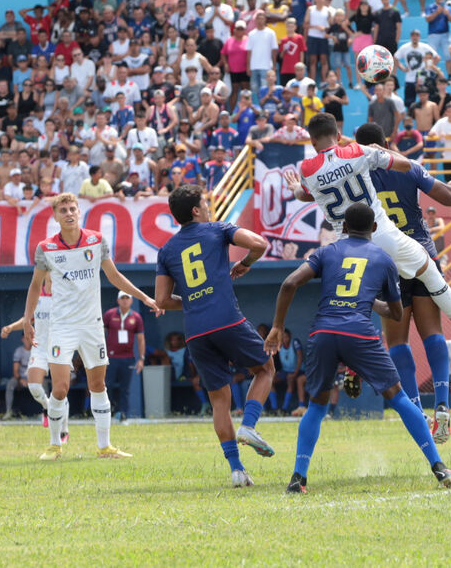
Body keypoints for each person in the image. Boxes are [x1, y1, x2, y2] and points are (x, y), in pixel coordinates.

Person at [264, 203, 451, 493]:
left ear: (343, 228)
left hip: (324, 332)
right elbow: (395, 314)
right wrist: (367, 300)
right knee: (398, 398)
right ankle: (438, 467)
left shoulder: (327, 252)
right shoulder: (383, 259)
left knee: (317, 407)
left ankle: (298, 478)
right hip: (359, 333)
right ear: (374, 229)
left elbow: (289, 283)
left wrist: (277, 327)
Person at [284, 113, 451, 345]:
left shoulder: (307, 169)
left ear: (312, 141)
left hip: (349, 249)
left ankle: (352, 363)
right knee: (431, 274)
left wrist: (294, 186)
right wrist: (381, 151)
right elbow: (406, 165)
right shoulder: (357, 152)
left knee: (362, 304)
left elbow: (304, 194)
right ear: (337, 135)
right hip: (384, 236)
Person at [154, 185, 277, 488]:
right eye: (205, 203)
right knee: (265, 368)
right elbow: (259, 244)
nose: (209, 207)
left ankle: (237, 470)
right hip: (226, 320)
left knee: (219, 401)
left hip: (195, 331)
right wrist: (245, 264)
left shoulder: (167, 250)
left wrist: (192, 300)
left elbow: (162, 300)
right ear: (196, 210)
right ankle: (248, 426)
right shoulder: (218, 229)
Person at [24, 193, 161, 461]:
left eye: (72, 208)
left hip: (92, 326)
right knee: (60, 388)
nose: (69, 213)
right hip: (61, 326)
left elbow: (114, 276)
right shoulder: (46, 248)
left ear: (79, 211)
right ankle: (54, 445)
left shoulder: (97, 240)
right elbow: (35, 285)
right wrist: (28, 320)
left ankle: (105, 447)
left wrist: (145, 298)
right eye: (63, 210)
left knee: (97, 385)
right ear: (55, 216)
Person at [355, 122, 451, 443]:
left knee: (398, 342)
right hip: (421, 255)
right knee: (433, 332)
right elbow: (449, 199)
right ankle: (442, 403)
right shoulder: (409, 167)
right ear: (387, 141)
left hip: (386, 263)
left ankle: (417, 409)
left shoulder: (358, 175)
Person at [0, 272, 69, 439]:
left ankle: (64, 430)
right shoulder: (36, 294)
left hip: (59, 347)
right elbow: (27, 319)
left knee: (60, 391)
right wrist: (10, 327)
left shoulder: (64, 295)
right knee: (34, 387)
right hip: (39, 348)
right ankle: (47, 407)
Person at [103, 291, 145, 423]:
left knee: (125, 388)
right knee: (107, 386)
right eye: (123, 298)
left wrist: (141, 358)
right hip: (111, 357)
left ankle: (123, 416)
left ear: (131, 301)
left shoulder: (136, 317)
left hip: (128, 357)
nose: (125, 301)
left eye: (127, 298)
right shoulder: (110, 314)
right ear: (118, 300)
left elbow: (141, 339)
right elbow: (100, 334)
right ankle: (107, 415)